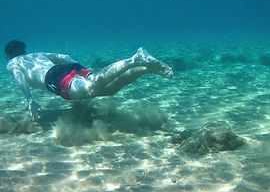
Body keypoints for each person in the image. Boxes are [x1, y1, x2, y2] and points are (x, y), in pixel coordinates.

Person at [4, 40, 173, 121]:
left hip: (55, 78)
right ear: (23, 50)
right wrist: (81, 69)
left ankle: (135, 59)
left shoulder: (13, 62)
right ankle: (146, 69)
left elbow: (19, 77)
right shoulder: (35, 55)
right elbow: (63, 57)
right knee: (108, 90)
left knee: (93, 88)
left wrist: (30, 99)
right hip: (70, 67)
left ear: (8, 55)